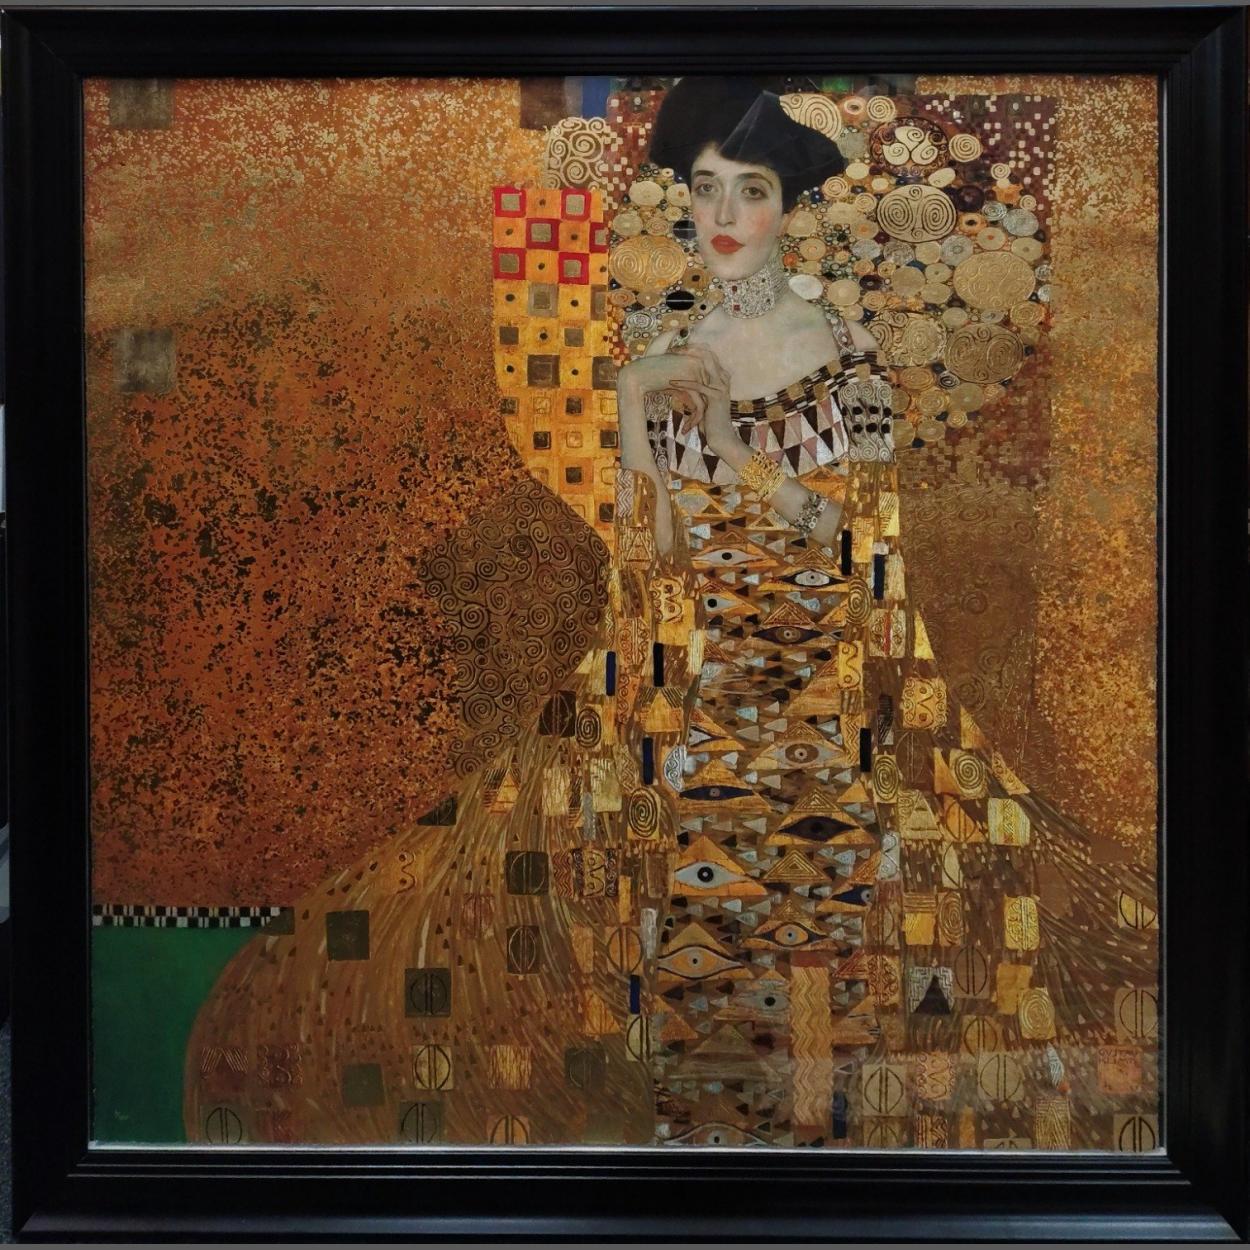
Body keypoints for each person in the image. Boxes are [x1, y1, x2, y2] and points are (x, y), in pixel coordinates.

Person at [182, 78, 1156, 1152]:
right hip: (699, 707)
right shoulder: (655, 358)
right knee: (691, 969)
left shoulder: (850, 363)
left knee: (825, 977)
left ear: (786, 208)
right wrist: (639, 412)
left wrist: (733, 448)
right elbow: (652, 565)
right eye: (705, 188)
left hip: (820, 703)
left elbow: (860, 554)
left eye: (751, 190)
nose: (725, 215)